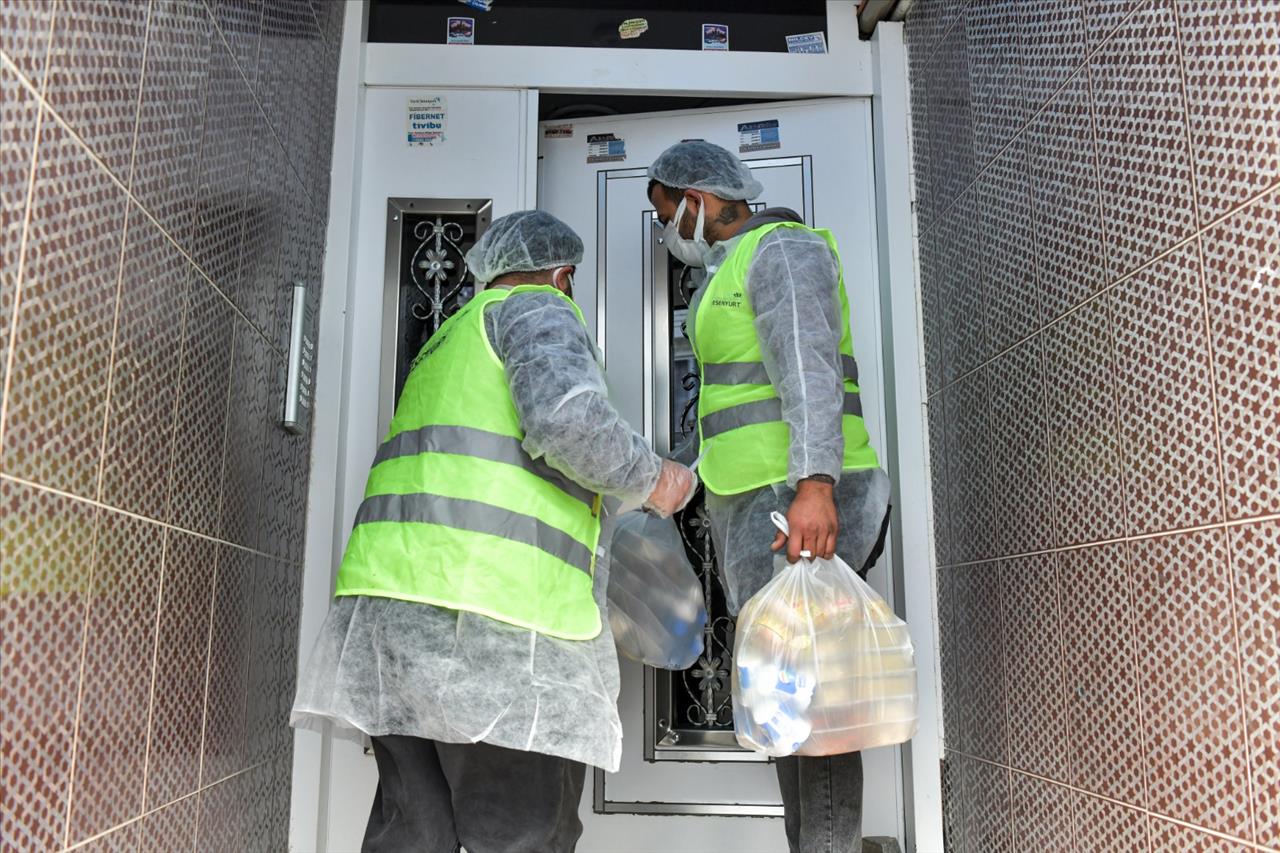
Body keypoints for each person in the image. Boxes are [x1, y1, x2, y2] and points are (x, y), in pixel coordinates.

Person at [292, 210, 697, 853]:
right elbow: (570, 427)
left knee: (412, 833)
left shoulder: (447, 338)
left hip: (393, 621)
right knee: (520, 832)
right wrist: (656, 480)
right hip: (494, 626)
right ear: (562, 275)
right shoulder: (536, 308)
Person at [647, 140, 892, 853]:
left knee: (812, 693)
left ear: (701, 199)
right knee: (792, 692)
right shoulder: (726, 272)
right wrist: (675, 479)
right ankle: (819, 843)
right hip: (761, 503)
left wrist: (816, 483)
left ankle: (829, 847)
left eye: (669, 214)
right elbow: (732, 405)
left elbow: (810, 372)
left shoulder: (781, 249)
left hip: (800, 502)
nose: (671, 231)